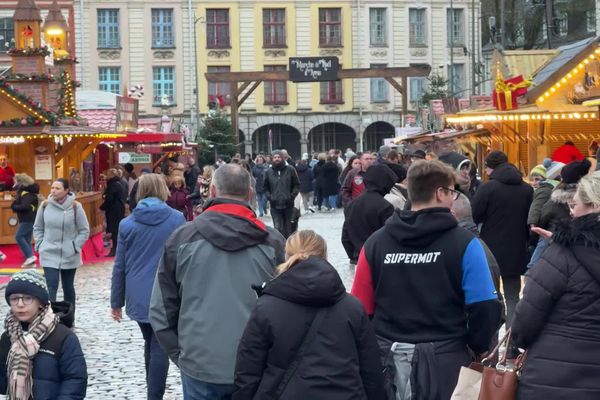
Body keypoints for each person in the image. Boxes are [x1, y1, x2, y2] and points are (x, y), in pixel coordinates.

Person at [351, 160, 500, 399]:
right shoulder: (465, 244)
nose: (454, 198)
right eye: (453, 192)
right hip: (447, 359)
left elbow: (360, 308)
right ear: (441, 193)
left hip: (387, 359)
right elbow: (485, 304)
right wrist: (477, 345)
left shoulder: (375, 243)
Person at [149, 164, 285, 400]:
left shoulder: (182, 239)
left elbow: (160, 310)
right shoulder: (273, 242)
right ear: (250, 194)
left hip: (200, 361)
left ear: (211, 191)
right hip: (257, 364)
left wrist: (182, 355)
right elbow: (289, 310)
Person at [234, 230, 384, 400]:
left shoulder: (266, 307)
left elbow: (248, 370)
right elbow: (371, 371)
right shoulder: (352, 308)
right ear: (325, 257)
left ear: (286, 256)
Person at [511, 171, 600, 399]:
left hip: (549, 381)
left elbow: (524, 323)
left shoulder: (560, 257)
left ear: (594, 206)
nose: (572, 212)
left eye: (575, 205)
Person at [111, 173, 186, 400]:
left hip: (138, 292)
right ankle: (154, 395)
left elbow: (120, 266)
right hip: (167, 290)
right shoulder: (177, 219)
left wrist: (116, 301)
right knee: (158, 344)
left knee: (151, 340)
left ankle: (152, 392)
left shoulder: (127, 224)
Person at [0, 270, 87, 400]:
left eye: (27, 298)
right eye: (14, 299)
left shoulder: (63, 337)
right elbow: (3, 385)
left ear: (41, 302)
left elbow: (75, 380)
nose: (20, 304)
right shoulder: (8, 337)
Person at [472, 150, 533, 325]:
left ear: (491, 168)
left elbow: (475, 214)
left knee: (491, 297)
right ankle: (511, 343)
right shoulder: (527, 189)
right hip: (517, 249)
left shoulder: (487, 188)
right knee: (513, 297)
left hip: (490, 250)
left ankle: (491, 343)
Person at [33, 178, 89, 318]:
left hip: (69, 253)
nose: (53, 191)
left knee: (68, 287)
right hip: (49, 252)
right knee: (51, 285)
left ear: (66, 190)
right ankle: (48, 318)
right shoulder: (45, 206)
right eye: (52, 188)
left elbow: (84, 230)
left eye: (57, 188)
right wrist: (40, 244)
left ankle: (69, 317)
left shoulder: (76, 207)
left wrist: (75, 246)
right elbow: (38, 227)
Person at [342, 164, 396, 264]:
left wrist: (354, 256)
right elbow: (391, 237)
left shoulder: (351, 204)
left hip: (358, 258)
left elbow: (345, 237)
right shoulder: (385, 206)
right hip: (379, 259)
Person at [263, 150, 300, 238]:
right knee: (277, 228)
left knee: (289, 228)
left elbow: (296, 185)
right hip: (275, 204)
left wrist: (291, 196)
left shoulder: (290, 169)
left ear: (282, 158)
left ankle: (290, 246)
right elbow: (265, 187)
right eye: (275, 157)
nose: (277, 159)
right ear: (272, 159)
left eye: (279, 157)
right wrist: (270, 197)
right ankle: (280, 246)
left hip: (288, 204)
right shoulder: (268, 172)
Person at [11, 173, 39, 267]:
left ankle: (30, 257)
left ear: (21, 182)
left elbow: (25, 206)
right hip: (27, 219)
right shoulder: (25, 192)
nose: (14, 183)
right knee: (26, 239)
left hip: (28, 219)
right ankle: (30, 262)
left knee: (19, 236)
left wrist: (14, 206)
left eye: (15, 181)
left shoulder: (26, 193)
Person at [100, 168, 127, 257]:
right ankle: (115, 249)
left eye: (108, 174)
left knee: (114, 229)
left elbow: (110, 198)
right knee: (115, 229)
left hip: (114, 210)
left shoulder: (114, 185)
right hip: (118, 209)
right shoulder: (118, 183)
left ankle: (115, 249)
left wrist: (102, 207)